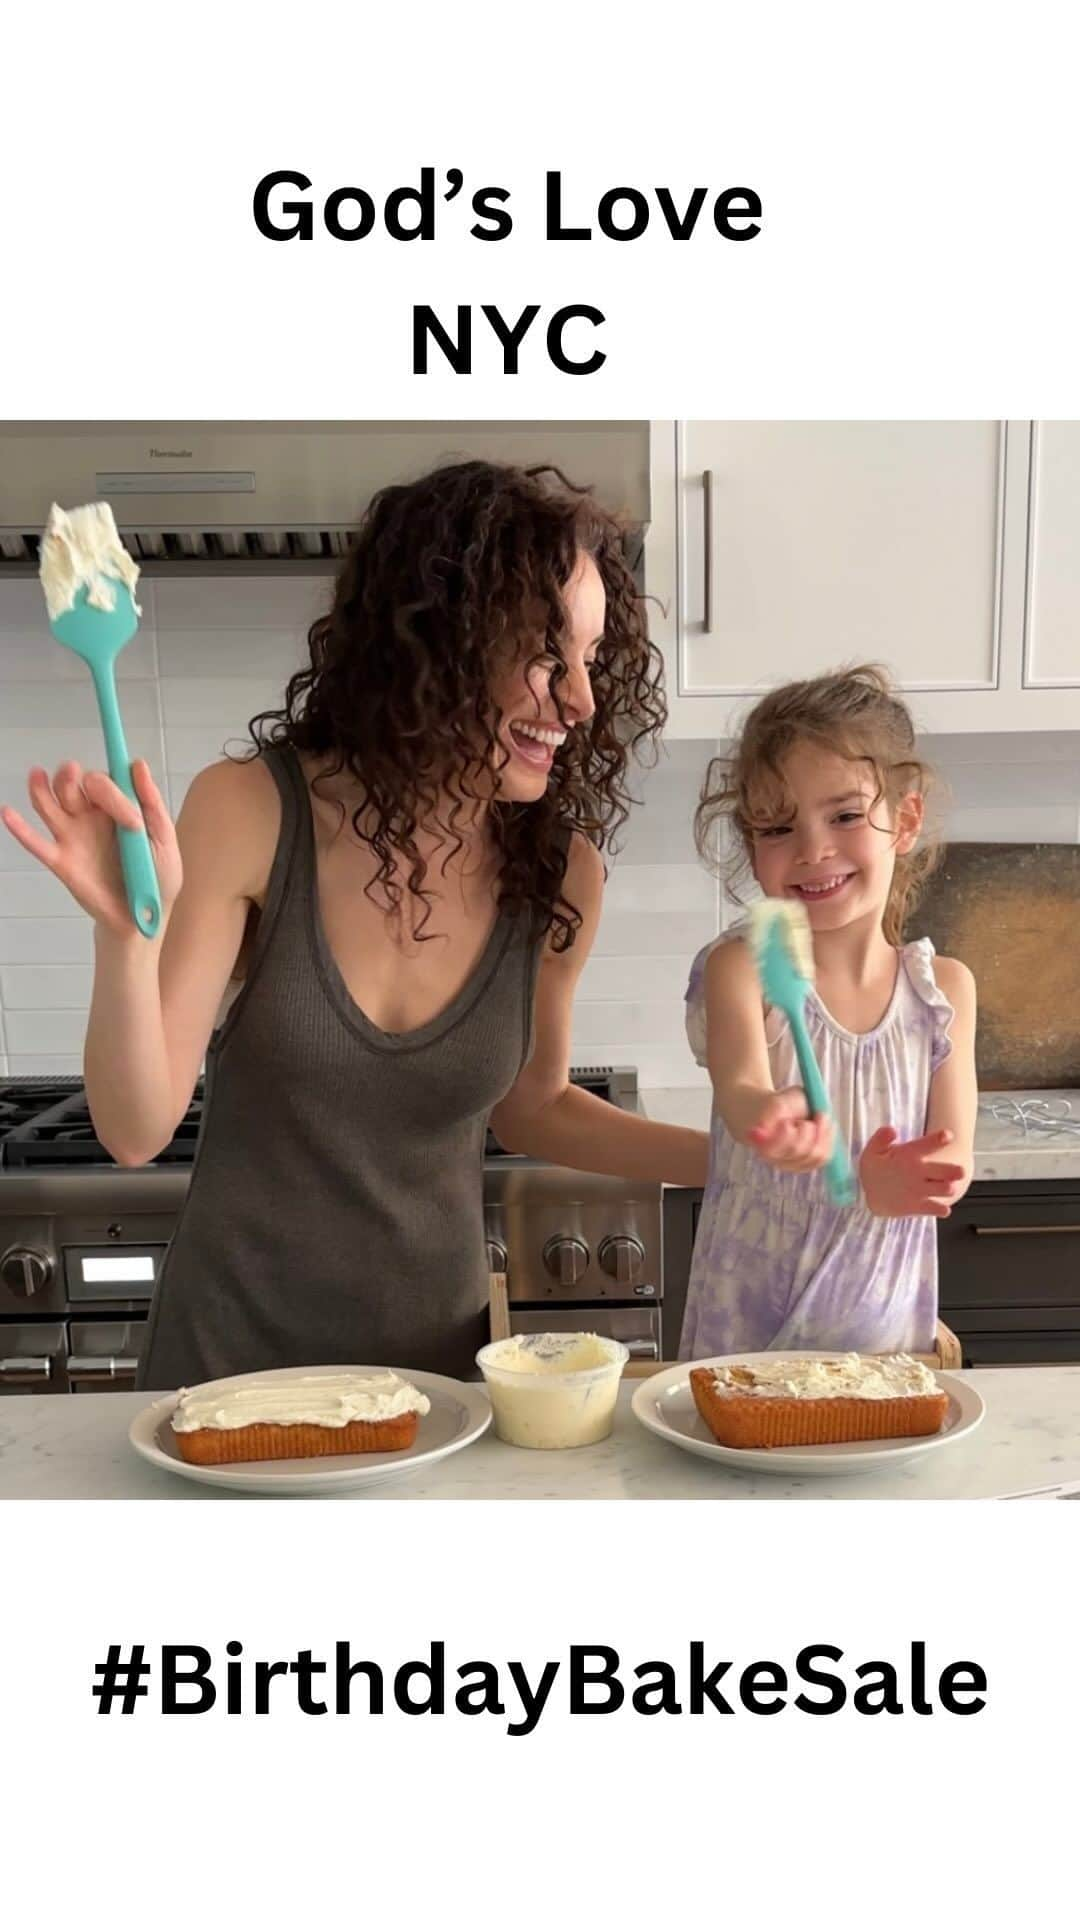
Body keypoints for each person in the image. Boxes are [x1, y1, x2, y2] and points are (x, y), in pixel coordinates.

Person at [1, 460, 709, 1387]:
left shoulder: (560, 872)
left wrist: (739, 1165)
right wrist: (124, 939)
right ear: (439, 636)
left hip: (434, 1396)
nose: (580, 699)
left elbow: (533, 1105)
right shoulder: (249, 810)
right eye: (546, 654)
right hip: (226, 1384)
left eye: (588, 658)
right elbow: (136, 1128)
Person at [679, 664, 977, 1359]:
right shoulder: (743, 970)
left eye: (844, 815)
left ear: (904, 820)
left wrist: (900, 1180)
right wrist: (771, 1120)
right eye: (778, 827)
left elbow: (954, 1155)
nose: (813, 850)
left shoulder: (945, 993)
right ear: (752, 848)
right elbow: (741, 1089)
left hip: (884, 1342)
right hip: (748, 1338)